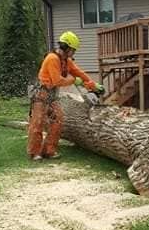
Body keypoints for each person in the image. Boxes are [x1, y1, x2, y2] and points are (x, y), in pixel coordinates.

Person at [27, 31, 104, 161]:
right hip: (41, 94)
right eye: (73, 50)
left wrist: (93, 85)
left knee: (58, 119)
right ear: (66, 47)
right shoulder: (52, 59)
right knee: (38, 122)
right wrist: (74, 81)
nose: (73, 53)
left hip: (51, 95)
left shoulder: (66, 61)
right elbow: (57, 80)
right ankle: (35, 152)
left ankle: (49, 150)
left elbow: (79, 73)